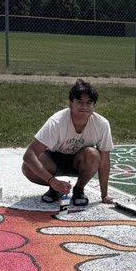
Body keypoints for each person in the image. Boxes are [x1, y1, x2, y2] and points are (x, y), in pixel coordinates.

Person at [22, 79, 114, 207]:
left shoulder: (102, 124)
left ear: (94, 105)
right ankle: (56, 188)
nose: (84, 107)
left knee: (93, 154)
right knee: (28, 167)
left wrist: (104, 194)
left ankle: (79, 189)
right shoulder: (57, 122)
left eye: (89, 103)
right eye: (79, 102)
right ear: (71, 104)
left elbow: (104, 160)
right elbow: (29, 154)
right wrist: (52, 181)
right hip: (54, 159)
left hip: (79, 161)